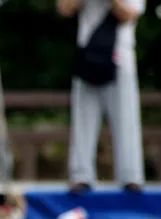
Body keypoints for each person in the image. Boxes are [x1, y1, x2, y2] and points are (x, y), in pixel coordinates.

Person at [58, 0, 145, 193]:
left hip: (120, 59)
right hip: (87, 57)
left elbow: (129, 14)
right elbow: (64, 8)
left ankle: (131, 176)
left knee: (126, 120)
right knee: (82, 121)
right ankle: (81, 176)